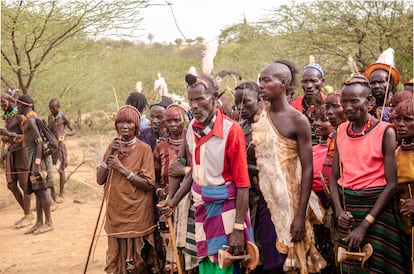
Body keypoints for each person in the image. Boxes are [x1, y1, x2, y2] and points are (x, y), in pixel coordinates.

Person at [158, 73, 254, 274]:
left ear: (215, 97)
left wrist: (238, 228)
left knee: (226, 267)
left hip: (226, 212)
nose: (194, 106)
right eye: (191, 100)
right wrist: (173, 202)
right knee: (207, 268)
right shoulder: (192, 128)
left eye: (200, 99)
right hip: (202, 210)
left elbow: (243, 184)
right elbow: (195, 173)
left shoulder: (231, 131)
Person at [329, 74, 409, 273]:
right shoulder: (340, 131)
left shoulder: (385, 132)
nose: (347, 107)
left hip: (377, 210)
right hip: (348, 210)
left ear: (370, 101)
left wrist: (365, 224)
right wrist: (339, 212)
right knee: (352, 266)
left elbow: (391, 184)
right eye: (344, 102)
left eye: (354, 101)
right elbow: (333, 178)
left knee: (378, 266)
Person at [253, 60, 326, 273]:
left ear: (283, 83)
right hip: (268, 203)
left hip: (292, 205)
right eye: (260, 81)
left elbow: (308, 169)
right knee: (272, 265)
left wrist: (300, 215)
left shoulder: (298, 120)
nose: (261, 85)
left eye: (266, 81)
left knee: (295, 263)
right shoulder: (261, 118)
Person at [96, 105, 159, 274]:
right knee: (117, 262)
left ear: (136, 126)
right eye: (121, 122)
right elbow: (99, 179)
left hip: (137, 214)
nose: (124, 126)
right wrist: (110, 153)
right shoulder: (113, 147)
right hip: (115, 213)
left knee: (138, 263)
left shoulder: (144, 149)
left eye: (129, 122)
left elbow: (148, 184)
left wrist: (123, 170)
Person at [234, 81, 284, 274]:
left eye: (245, 102)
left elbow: (278, 166)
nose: (240, 108)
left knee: (271, 254)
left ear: (259, 100)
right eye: (237, 104)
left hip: (269, 198)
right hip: (246, 198)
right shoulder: (238, 128)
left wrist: (247, 168)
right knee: (251, 254)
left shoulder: (270, 125)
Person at [153, 104, 190, 273]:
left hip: (190, 202)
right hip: (168, 204)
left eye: (177, 120)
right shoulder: (160, 146)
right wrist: (160, 191)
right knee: (169, 247)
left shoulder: (192, 144)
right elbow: (154, 177)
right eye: (169, 121)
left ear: (184, 121)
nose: (173, 124)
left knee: (186, 246)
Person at [17, 95, 54, 235]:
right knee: (37, 191)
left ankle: (49, 222)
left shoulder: (32, 121)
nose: (17, 108)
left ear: (24, 105)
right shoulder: (28, 121)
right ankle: (39, 222)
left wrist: (37, 163)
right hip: (32, 159)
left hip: (37, 161)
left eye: (18, 105)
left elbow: (39, 142)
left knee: (42, 191)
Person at [0, 91, 32, 228]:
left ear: (11, 102)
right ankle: (27, 213)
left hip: (22, 153)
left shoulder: (19, 118)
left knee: (24, 185)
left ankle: (28, 215)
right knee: (12, 185)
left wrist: (8, 135)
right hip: (12, 152)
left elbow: (27, 136)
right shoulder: (7, 118)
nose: (1, 105)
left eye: (3, 102)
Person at [392, 99, 414, 253]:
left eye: (407, 120)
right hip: (402, 228)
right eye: (398, 119)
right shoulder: (396, 153)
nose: (400, 124)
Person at [47, 98, 76, 203]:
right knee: (49, 169)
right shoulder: (50, 117)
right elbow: (48, 130)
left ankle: (61, 194)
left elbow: (73, 130)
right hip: (52, 146)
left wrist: (65, 134)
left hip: (60, 147)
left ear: (58, 107)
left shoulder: (64, 117)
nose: (51, 110)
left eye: (53, 108)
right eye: (50, 108)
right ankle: (52, 194)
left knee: (60, 169)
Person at [290, 61, 326, 146]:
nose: (309, 85)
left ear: (322, 82)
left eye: (313, 81)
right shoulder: (292, 106)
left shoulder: (330, 106)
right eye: (305, 81)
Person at [364, 48, 400, 122]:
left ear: (390, 84)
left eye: (380, 82)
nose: (376, 86)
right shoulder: (366, 109)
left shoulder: (399, 107)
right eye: (373, 83)